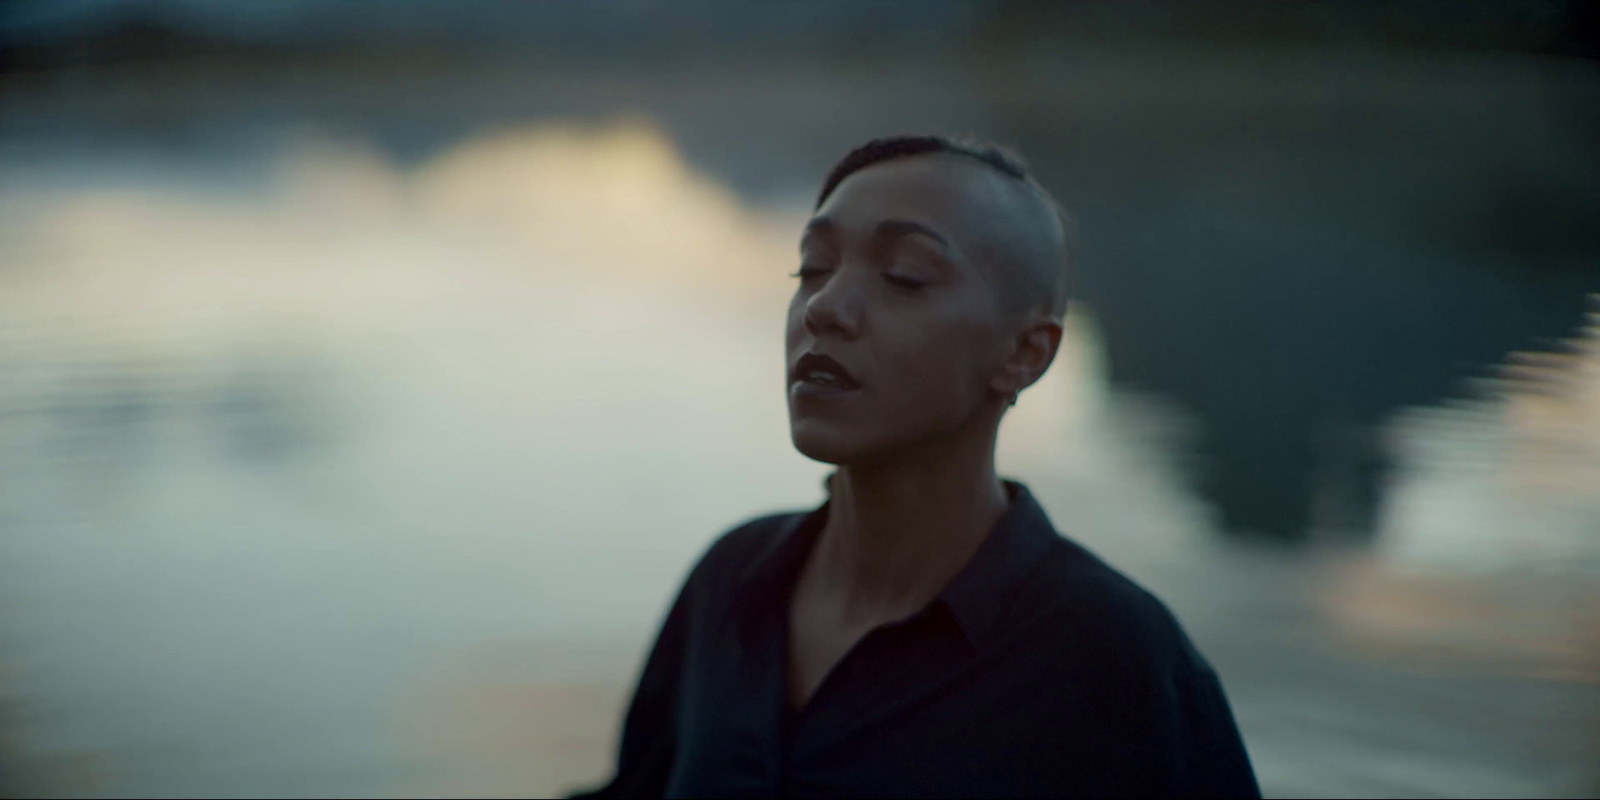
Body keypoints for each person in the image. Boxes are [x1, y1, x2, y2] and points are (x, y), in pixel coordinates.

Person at [571, 134, 1260, 798]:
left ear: (1025, 353)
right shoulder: (734, 582)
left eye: (904, 275)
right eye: (812, 268)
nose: (826, 307)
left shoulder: (1115, 660)